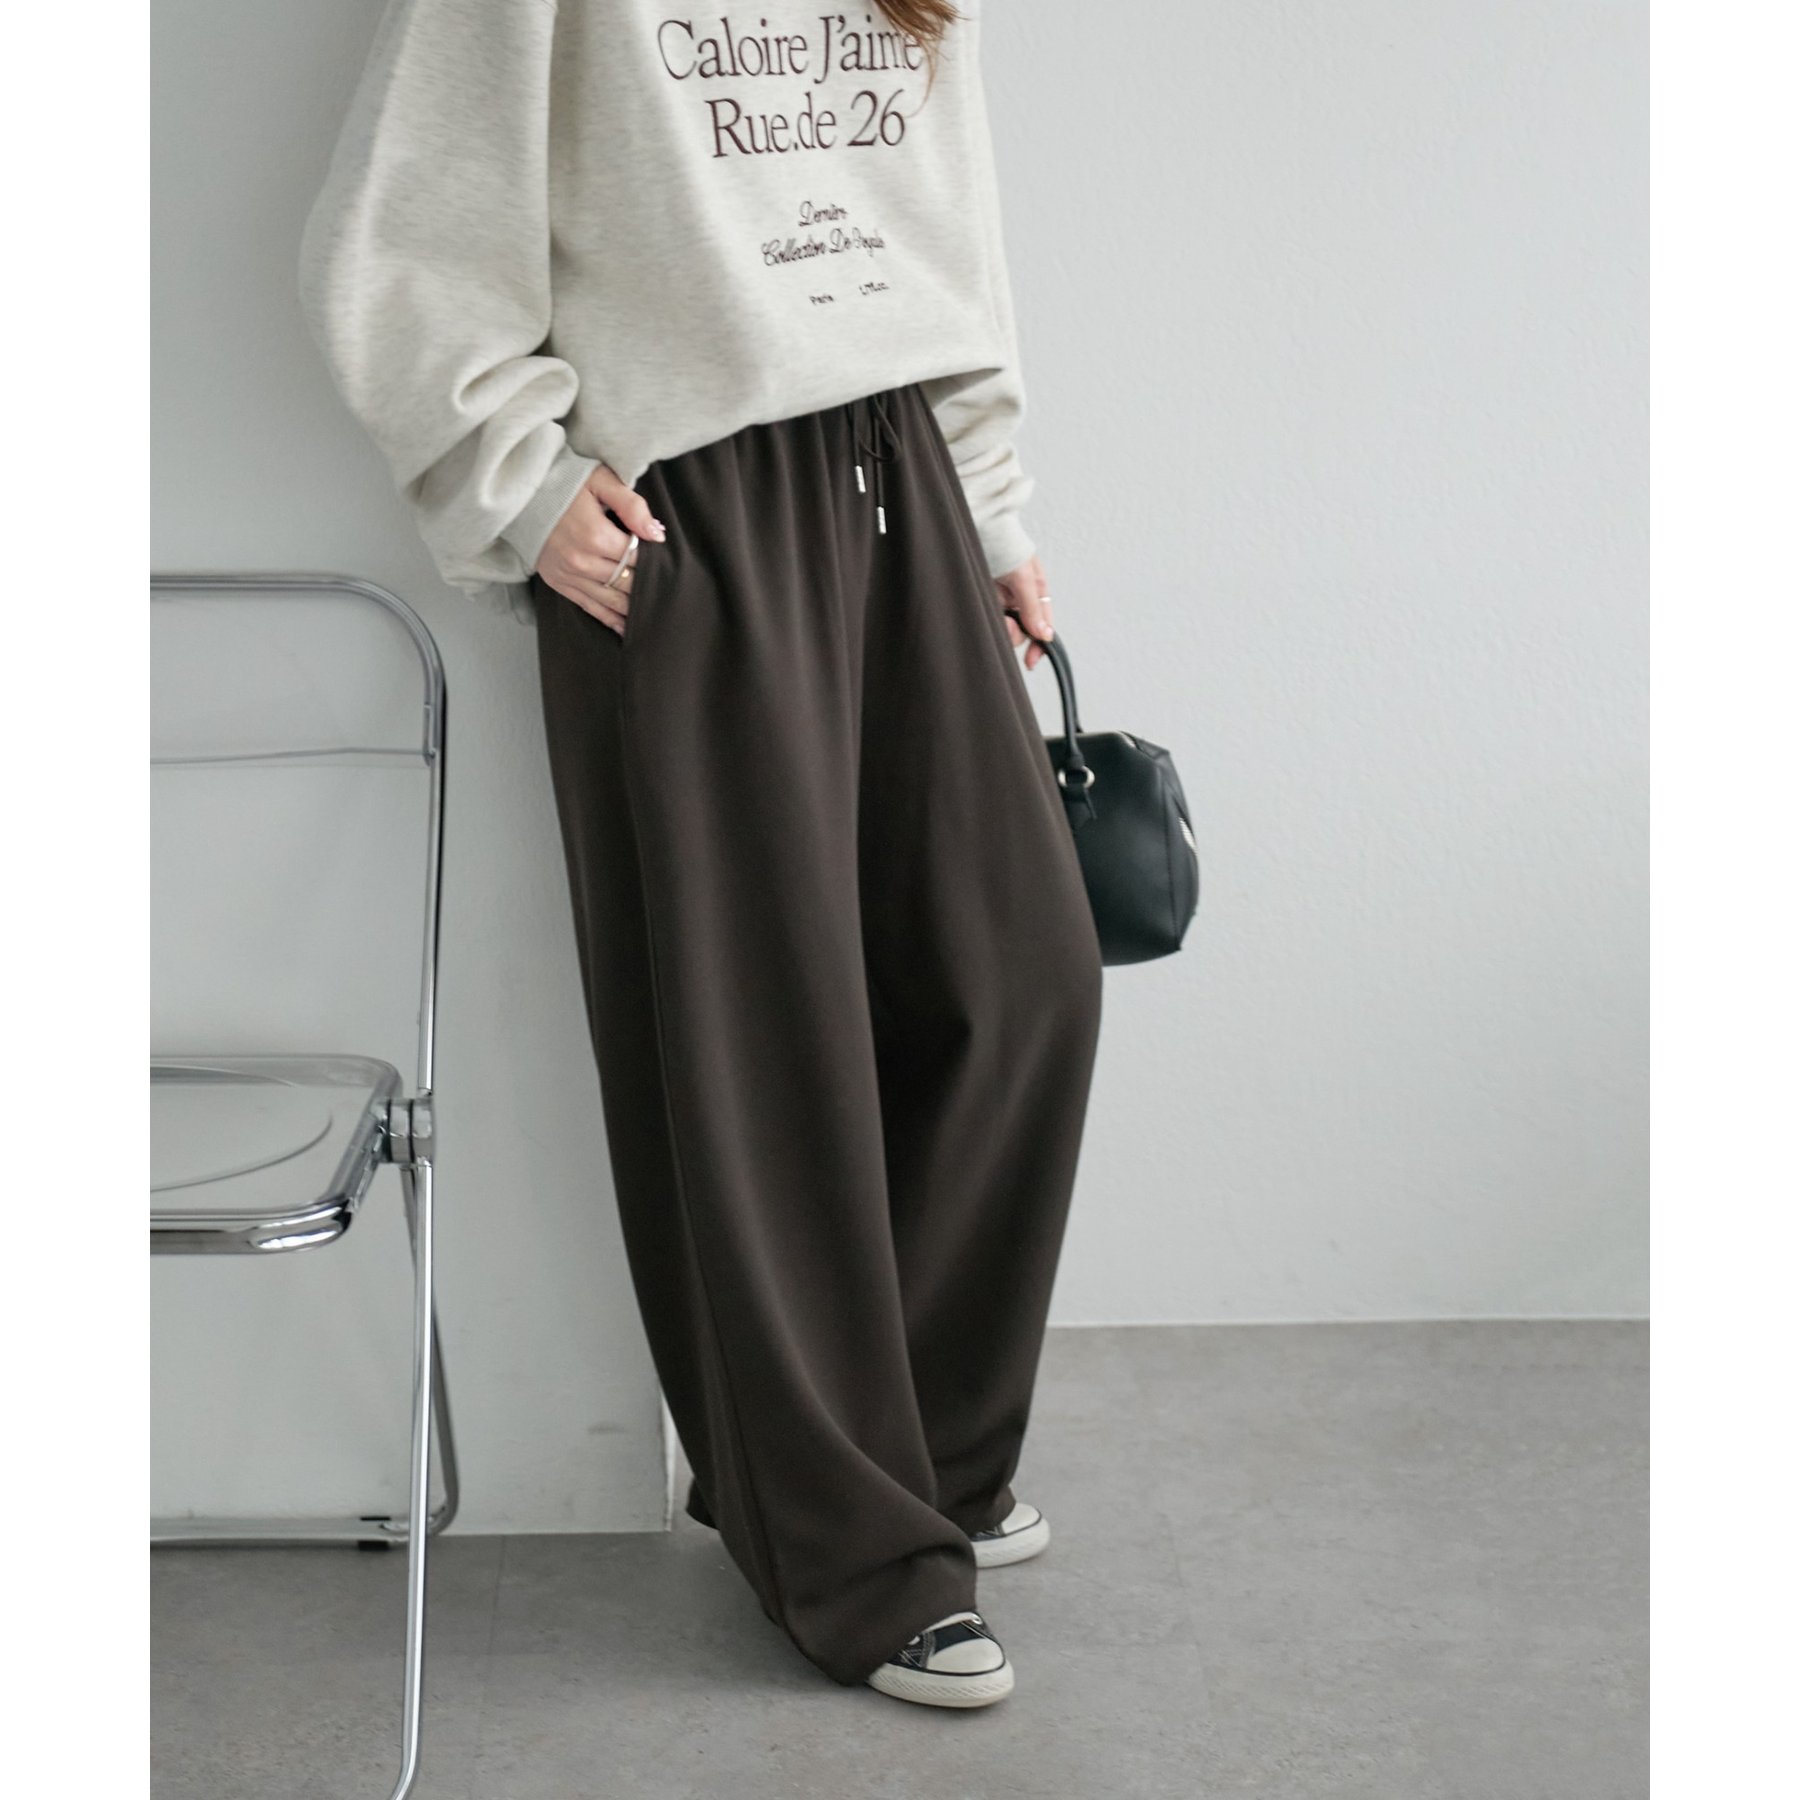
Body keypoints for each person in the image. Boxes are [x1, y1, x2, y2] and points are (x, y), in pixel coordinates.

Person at [300, 0, 1102, 1709]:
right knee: (760, 1042)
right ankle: (851, 1551)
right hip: (689, 506)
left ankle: (921, 1462)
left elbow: (944, 233)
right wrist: (517, 485)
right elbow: (392, 232)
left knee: (1020, 976)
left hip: (899, 473)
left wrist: (992, 507)